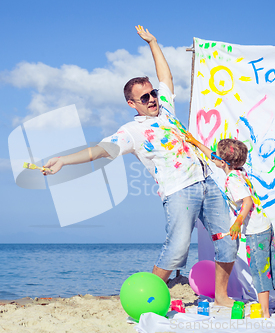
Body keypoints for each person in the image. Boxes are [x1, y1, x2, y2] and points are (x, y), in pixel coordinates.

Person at [43, 26, 238, 307]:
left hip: (208, 182)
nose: (152, 99)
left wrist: (153, 43)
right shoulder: (131, 131)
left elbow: (165, 76)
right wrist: (63, 160)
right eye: (144, 97)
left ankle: (221, 297)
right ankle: (147, 298)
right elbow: (99, 150)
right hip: (179, 192)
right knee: (176, 250)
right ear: (132, 103)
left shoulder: (167, 110)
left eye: (153, 94)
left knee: (227, 239)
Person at [185, 134, 275, 317]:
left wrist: (237, 222)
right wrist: (196, 143)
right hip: (265, 225)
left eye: (217, 156)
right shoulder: (239, 170)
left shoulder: (233, 180)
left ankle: (265, 312)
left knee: (260, 271)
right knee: (273, 266)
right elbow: (212, 156)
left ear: (223, 162)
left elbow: (247, 201)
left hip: (256, 231)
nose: (214, 157)